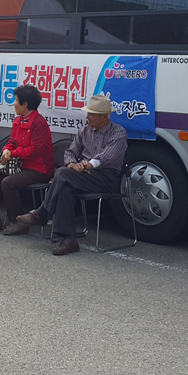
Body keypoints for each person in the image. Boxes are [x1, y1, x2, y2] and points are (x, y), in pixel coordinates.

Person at [16, 95, 127, 256]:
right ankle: (69, 240)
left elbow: (109, 156)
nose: (87, 117)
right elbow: (70, 151)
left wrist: (88, 165)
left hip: (105, 177)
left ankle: (42, 213)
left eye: (92, 114)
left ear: (104, 117)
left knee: (62, 174)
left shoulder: (118, 132)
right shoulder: (84, 131)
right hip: (79, 174)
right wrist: (72, 164)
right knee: (64, 187)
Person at [0, 84, 55, 235]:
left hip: (39, 169)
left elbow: (35, 150)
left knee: (8, 182)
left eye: (16, 100)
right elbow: (12, 140)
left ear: (25, 104)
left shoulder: (39, 123)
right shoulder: (19, 120)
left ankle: (17, 222)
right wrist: (7, 149)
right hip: (21, 165)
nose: (13, 103)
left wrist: (13, 154)